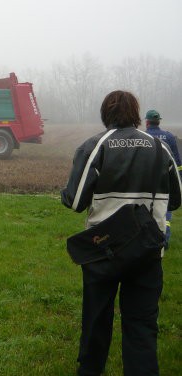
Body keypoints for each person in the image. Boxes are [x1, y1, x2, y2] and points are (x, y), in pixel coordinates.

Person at [61, 90, 181, 376]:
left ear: (106, 114)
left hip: (102, 252)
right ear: (136, 114)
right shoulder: (159, 148)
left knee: (96, 323)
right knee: (141, 328)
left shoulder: (94, 146)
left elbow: (75, 202)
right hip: (147, 252)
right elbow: (176, 200)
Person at [145, 109, 181, 249]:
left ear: (147, 122)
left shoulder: (143, 136)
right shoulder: (170, 137)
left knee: (147, 211)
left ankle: (146, 241)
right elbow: (177, 162)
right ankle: (163, 241)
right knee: (165, 213)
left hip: (147, 181)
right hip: (165, 180)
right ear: (159, 121)